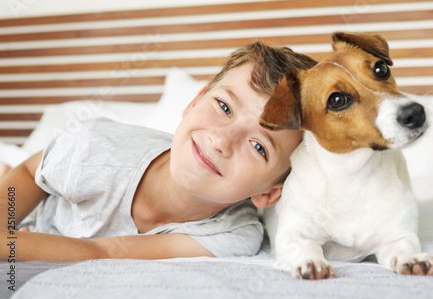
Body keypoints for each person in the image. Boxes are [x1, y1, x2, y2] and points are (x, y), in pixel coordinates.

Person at [0, 41, 317, 262]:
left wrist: (15, 246)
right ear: (194, 102)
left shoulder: (235, 234)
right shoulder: (94, 144)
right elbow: (31, 173)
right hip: (41, 206)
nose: (222, 140)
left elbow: (107, 252)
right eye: (223, 106)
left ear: (270, 194)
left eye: (259, 146)